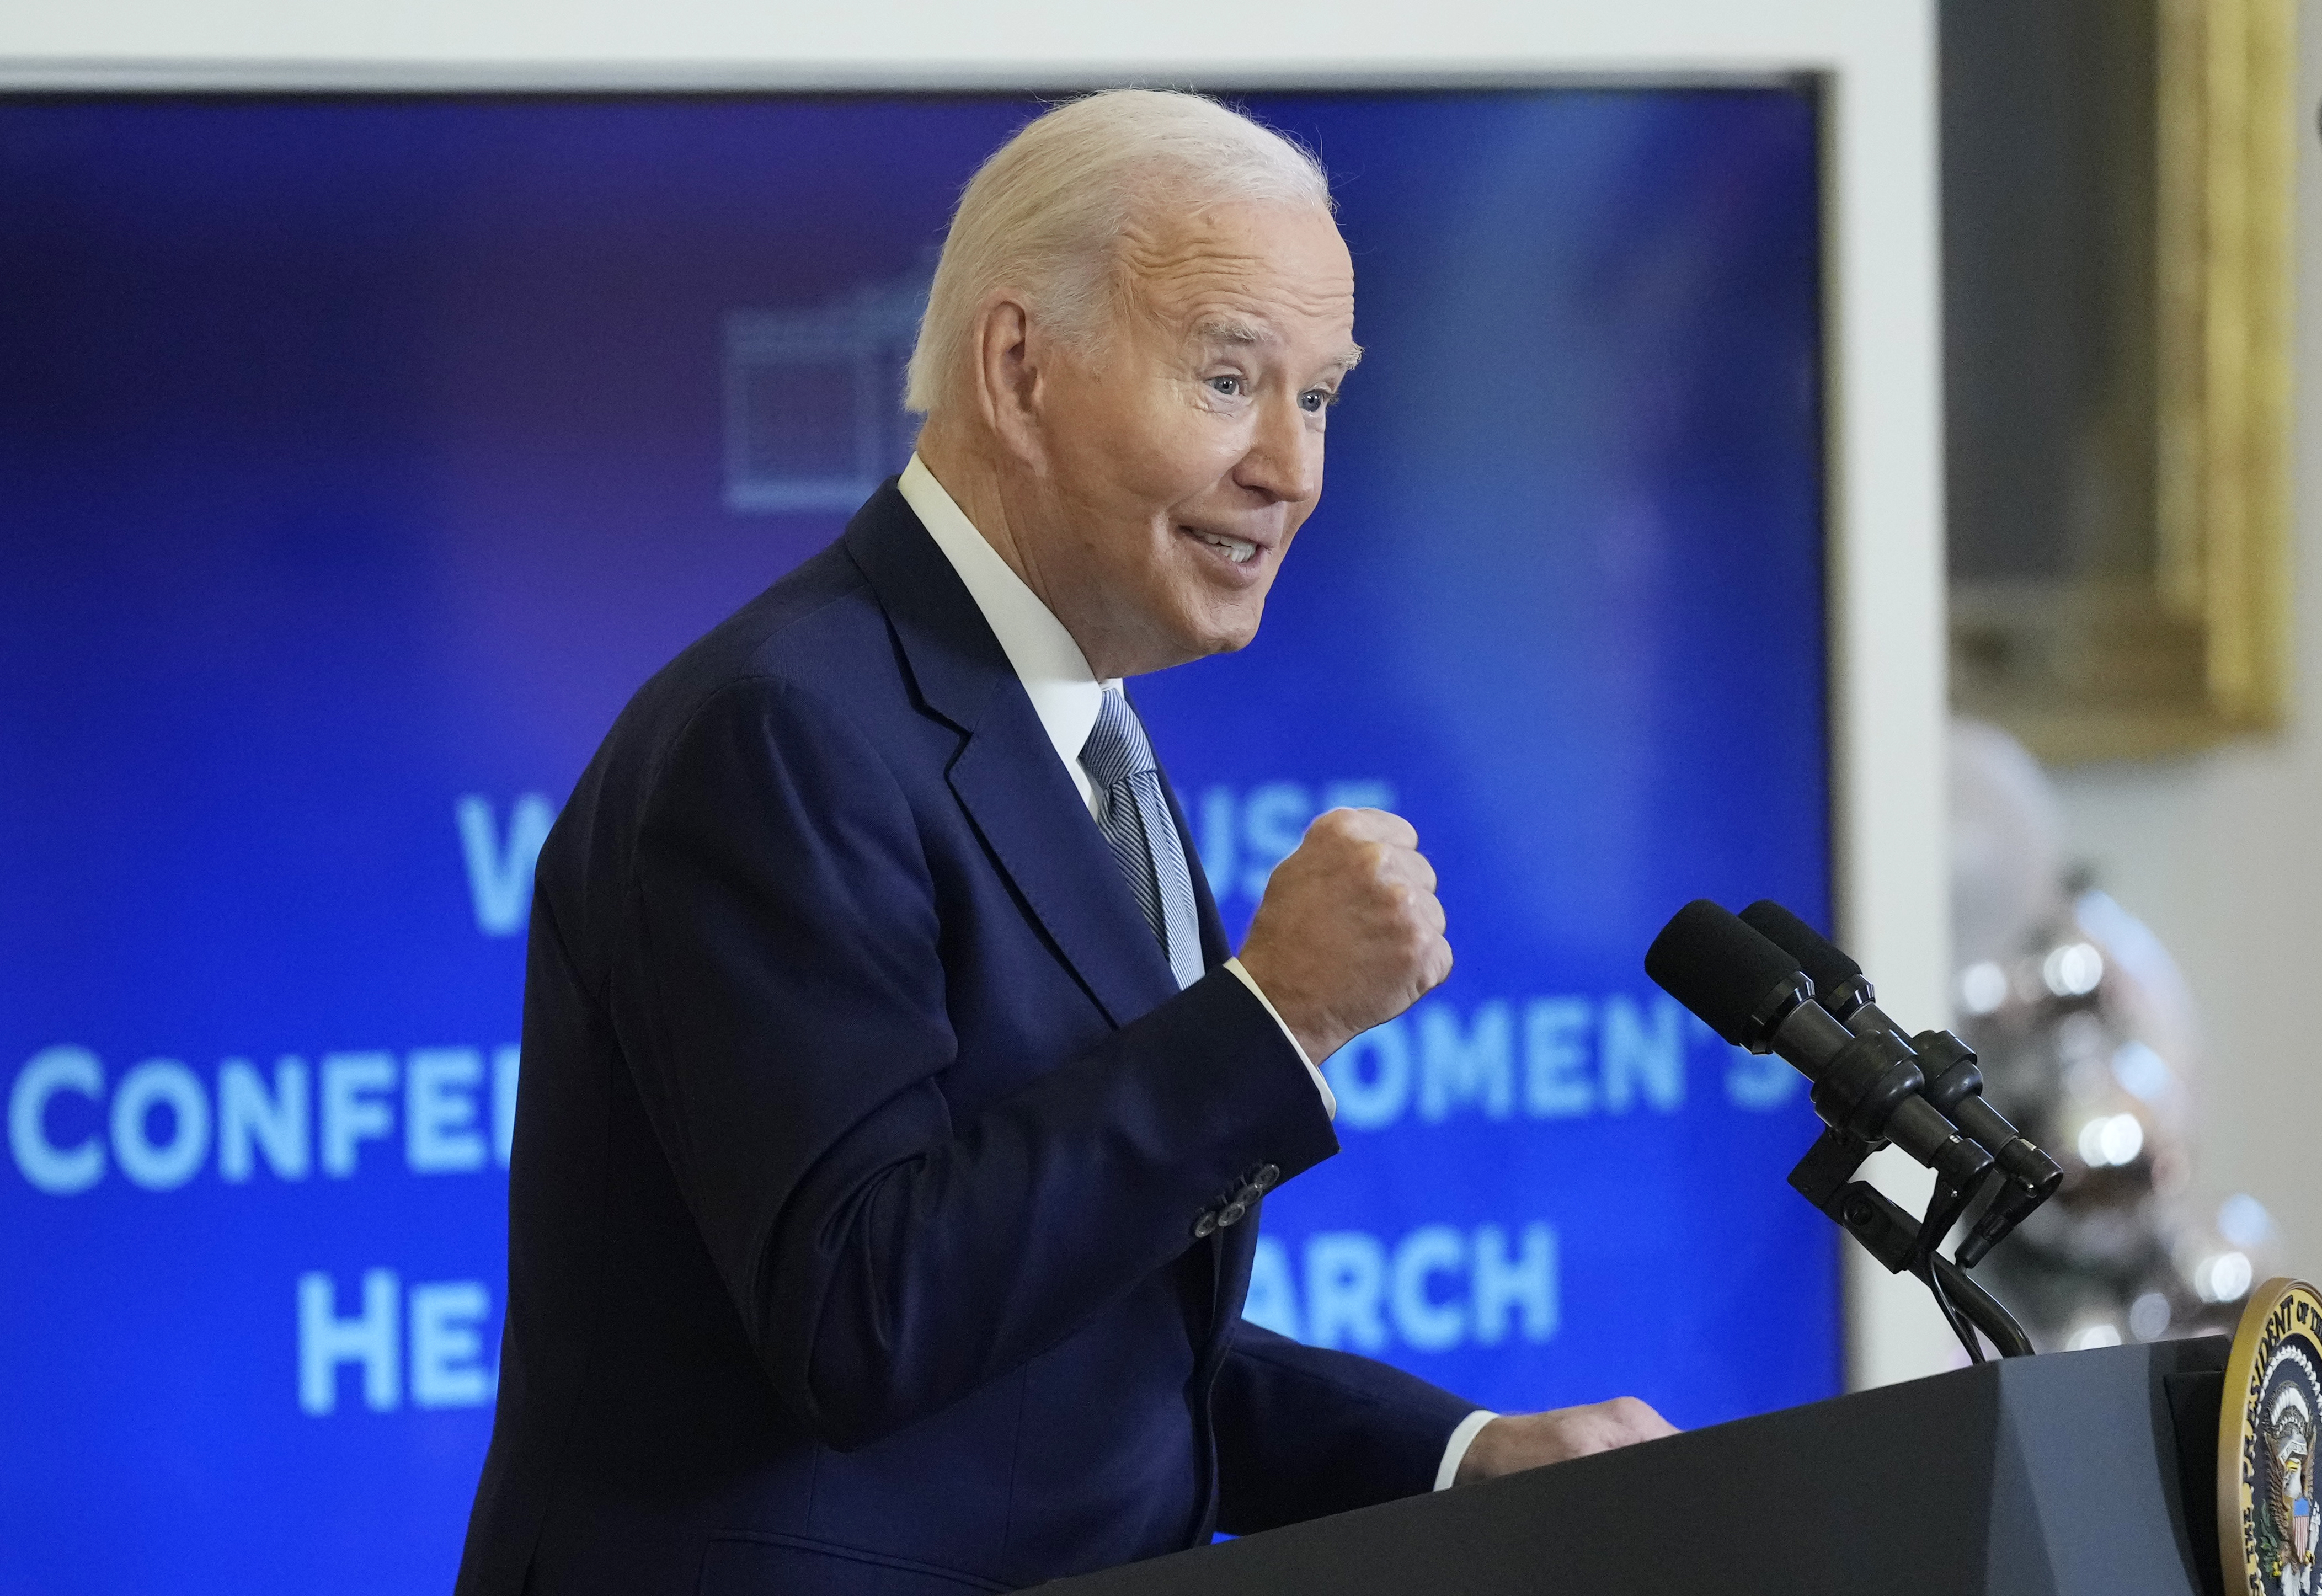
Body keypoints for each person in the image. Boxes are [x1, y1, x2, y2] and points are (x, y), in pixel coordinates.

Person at [454, 88, 1673, 1596]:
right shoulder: (781, 735)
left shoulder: (1075, 732)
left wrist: (1450, 1454)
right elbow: (867, 1317)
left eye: (1319, 397)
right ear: (1020, 369)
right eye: (1229, 378)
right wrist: (1272, 1016)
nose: (1287, 468)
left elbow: (1071, 1330)